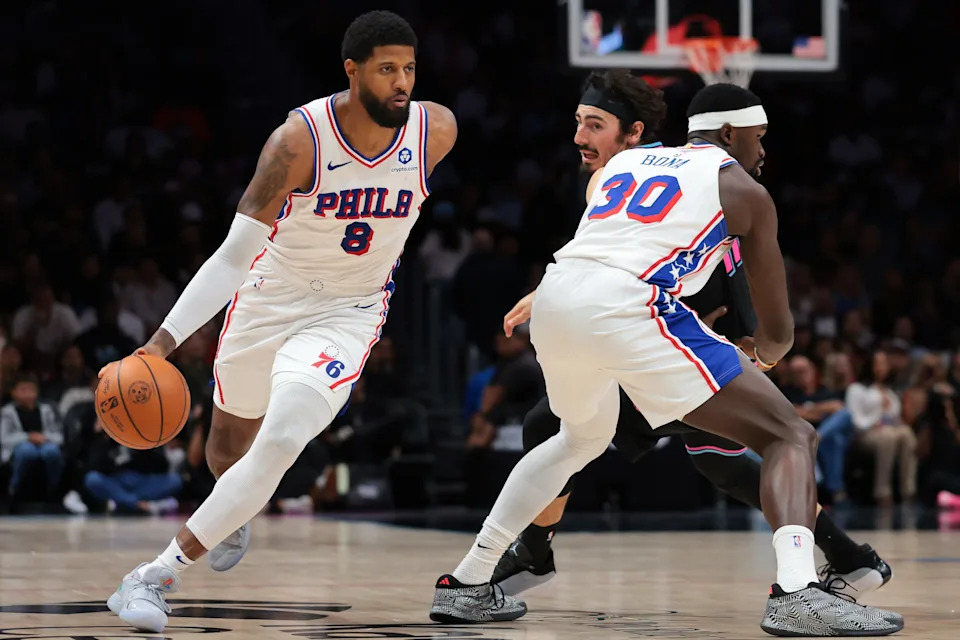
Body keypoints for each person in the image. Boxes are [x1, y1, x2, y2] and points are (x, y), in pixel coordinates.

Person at [431, 83, 902, 636]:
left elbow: (608, 244)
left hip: (556, 294)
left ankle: (469, 580)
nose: (764, 150)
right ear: (731, 134)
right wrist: (767, 353)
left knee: (575, 438)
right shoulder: (743, 190)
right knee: (791, 436)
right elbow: (776, 330)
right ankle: (798, 593)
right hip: (632, 308)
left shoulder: (623, 164)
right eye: (760, 137)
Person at [102, 10, 456, 633]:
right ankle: (229, 510)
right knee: (227, 447)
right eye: (386, 70)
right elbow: (234, 254)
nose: (402, 83)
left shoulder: (435, 131)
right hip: (272, 295)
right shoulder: (297, 142)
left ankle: (154, 574)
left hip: (350, 310)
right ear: (352, 72)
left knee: (284, 434)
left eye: (409, 69)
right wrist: (161, 344)